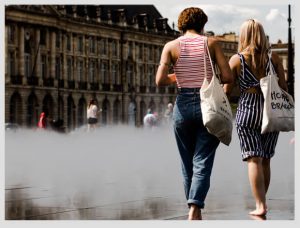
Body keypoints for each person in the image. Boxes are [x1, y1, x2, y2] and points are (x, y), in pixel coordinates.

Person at [155, 7, 233, 220]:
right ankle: (194, 208)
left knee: (187, 161)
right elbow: (227, 77)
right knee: (203, 160)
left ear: (181, 24)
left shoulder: (171, 46)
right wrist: (210, 74)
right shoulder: (211, 43)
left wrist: (177, 75)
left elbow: (160, 80)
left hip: (182, 107)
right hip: (207, 105)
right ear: (203, 24)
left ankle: (193, 208)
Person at [224, 19, 288, 216]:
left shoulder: (237, 59)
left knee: (254, 159)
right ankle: (263, 202)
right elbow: (284, 89)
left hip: (248, 110)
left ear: (243, 36)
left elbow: (226, 91)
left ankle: (259, 205)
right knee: (266, 160)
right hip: (271, 110)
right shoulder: (274, 58)